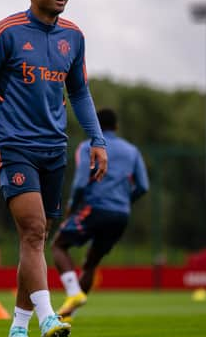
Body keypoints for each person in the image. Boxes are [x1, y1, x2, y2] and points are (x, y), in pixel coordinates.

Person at [0, 0, 108, 337]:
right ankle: (47, 319)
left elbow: (79, 92)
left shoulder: (73, 36)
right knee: (34, 230)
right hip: (14, 146)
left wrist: (97, 140)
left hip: (54, 151)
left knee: (35, 242)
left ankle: (18, 328)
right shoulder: (6, 32)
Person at [51, 108, 149, 321]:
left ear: (93, 125)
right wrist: (124, 201)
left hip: (94, 208)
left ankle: (72, 292)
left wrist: (71, 207)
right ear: (116, 126)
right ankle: (69, 315)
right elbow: (142, 186)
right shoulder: (132, 151)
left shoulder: (88, 146)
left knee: (58, 245)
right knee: (91, 264)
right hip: (120, 215)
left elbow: (79, 184)